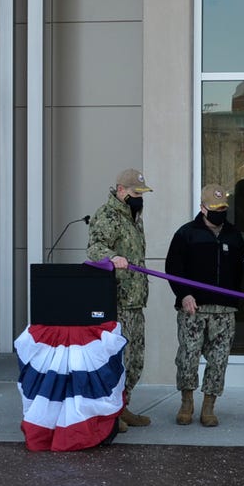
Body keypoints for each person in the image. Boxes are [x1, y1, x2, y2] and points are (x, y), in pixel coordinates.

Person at [165, 184, 244, 427]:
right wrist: (184, 294)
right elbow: (173, 269)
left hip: (224, 310)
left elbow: (240, 270)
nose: (219, 212)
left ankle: (209, 407)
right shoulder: (186, 234)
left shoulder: (234, 235)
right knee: (188, 357)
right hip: (194, 309)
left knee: (219, 360)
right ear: (202, 208)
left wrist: (234, 299)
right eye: (214, 208)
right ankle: (187, 403)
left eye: (223, 208)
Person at [87, 168, 153, 432]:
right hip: (117, 299)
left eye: (142, 193)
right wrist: (112, 257)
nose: (140, 198)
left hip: (135, 299)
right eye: (136, 193)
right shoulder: (107, 215)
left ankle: (123, 406)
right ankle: (110, 414)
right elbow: (94, 248)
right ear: (121, 190)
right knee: (117, 358)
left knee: (135, 359)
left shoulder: (134, 217)